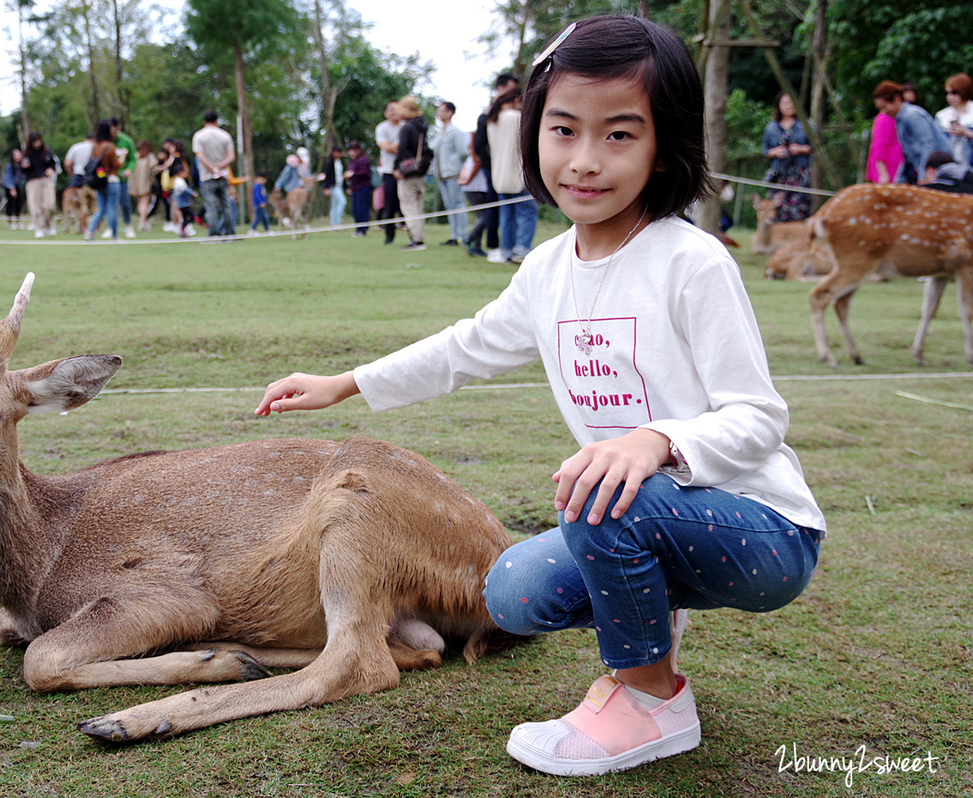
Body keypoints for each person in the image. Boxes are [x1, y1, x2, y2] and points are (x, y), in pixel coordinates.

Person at [254, 15, 824, 778]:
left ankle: (651, 701)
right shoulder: (549, 270)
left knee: (600, 487)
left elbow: (759, 418)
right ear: (533, 135)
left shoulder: (691, 262)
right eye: (563, 130)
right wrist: (346, 383)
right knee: (513, 591)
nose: (584, 161)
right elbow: (465, 347)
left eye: (620, 135)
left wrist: (654, 439)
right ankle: (656, 643)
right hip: (648, 516)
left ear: (665, 145)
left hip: (764, 532)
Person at [487, 86, 538, 263]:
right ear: (517, 100)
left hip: (499, 177)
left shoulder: (492, 120)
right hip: (517, 175)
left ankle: (507, 249)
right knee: (527, 213)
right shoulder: (516, 118)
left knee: (506, 215)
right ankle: (521, 248)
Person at [474, 74, 520, 262]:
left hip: (509, 168)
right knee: (495, 206)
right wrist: (493, 163)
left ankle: (507, 247)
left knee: (508, 209)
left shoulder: (506, 114)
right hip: (493, 168)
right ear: (501, 89)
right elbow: (479, 144)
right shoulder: (489, 114)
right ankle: (494, 246)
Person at [872, 81, 951, 184]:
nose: (883, 112)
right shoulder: (899, 119)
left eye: (884, 107)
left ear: (897, 99)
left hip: (941, 172)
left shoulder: (912, 116)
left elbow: (928, 144)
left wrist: (924, 175)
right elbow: (907, 155)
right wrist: (898, 181)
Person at [761, 92, 812, 222]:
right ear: (778, 106)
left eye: (791, 102)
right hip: (778, 175)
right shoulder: (771, 127)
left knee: (799, 211)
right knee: (776, 211)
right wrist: (775, 152)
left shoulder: (806, 125)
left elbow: (815, 148)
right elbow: (765, 152)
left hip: (799, 175)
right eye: (785, 103)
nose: (789, 106)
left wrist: (800, 149)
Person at [394, 95, 432, 251]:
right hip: (421, 171)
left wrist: (397, 168)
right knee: (418, 206)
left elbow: (402, 150)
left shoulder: (407, 128)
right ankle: (419, 237)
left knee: (409, 207)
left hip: (408, 173)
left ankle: (416, 240)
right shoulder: (422, 126)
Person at [192, 111, 237, 237]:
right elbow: (231, 157)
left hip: (207, 176)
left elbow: (200, 155)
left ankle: (213, 234)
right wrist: (220, 166)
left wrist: (212, 168)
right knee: (226, 205)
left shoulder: (199, 136)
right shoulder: (225, 136)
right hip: (223, 175)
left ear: (204, 122)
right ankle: (230, 233)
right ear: (217, 121)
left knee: (210, 206)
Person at [431, 101, 469, 246]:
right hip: (442, 174)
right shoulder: (440, 132)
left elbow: (463, 152)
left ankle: (462, 235)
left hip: (453, 173)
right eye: (439, 111)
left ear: (450, 112)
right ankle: (454, 235)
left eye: (442, 111)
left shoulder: (455, 131)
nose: (439, 114)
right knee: (449, 205)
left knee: (458, 204)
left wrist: (460, 170)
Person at [100, 118, 137, 239]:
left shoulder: (127, 141)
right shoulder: (105, 142)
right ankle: (110, 228)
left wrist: (129, 169)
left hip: (122, 179)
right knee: (110, 206)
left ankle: (128, 225)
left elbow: (132, 159)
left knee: (125, 203)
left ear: (118, 128)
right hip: (108, 179)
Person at [84, 119, 121, 242]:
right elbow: (116, 165)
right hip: (111, 180)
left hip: (99, 181)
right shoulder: (110, 147)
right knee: (112, 209)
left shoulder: (94, 146)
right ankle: (114, 235)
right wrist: (123, 157)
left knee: (101, 209)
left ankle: (89, 232)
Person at [375, 101, 403, 245]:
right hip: (388, 171)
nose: (394, 112)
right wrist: (395, 146)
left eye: (397, 109)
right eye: (391, 110)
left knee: (406, 203)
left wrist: (394, 146)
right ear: (386, 113)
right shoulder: (381, 128)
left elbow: (406, 147)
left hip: (404, 171)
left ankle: (414, 236)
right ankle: (389, 235)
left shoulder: (405, 127)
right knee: (389, 205)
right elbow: (385, 146)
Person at [21, 131, 59, 238]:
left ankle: (49, 224)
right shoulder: (26, 153)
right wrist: (23, 167)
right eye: (35, 141)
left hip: (46, 180)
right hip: (32, 181)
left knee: (49, 204)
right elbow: (21, 170)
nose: (37, 143)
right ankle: (39, 227)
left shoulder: (46, 151)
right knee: (35, 206)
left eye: (39, 140)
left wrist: (51, 169)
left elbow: (53, 163)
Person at [457, 138, 489, 257]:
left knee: (481, 216)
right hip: (476, 188)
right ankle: (468, 238)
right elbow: (476, 166)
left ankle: (477, 245)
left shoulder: (471, 157)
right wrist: (466, 181)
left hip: (472, 188)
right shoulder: (476, 157)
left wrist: (463, 180)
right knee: (485, 217)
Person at [936, 73, 973, 169]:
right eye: (947, 93)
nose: (950, 96)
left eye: (954, 92)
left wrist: (966, 133)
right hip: (950, 168)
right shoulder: (942, 116)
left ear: (964, 91)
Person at [64, 132, 95, 234]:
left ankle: (82, 227)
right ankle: (96, 228)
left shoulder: (75, 147)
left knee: (82, 204)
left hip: (78, 177)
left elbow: (67, 163)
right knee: (95, 204)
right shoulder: (96, 147)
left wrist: (71, 175)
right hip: (92, 178)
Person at [865, 108, 902, 184]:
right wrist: (883, 173)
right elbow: (879, 147)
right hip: (889, 172)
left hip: (897, 171)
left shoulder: (896, 118)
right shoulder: (884, 119)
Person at [344, 140, 373, 236]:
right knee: (356, 209)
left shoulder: (363, 160)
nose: (351, 153)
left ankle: (363, 229)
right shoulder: (353, 162)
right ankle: (358, 229)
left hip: (363, 187)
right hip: (355, 188)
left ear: (358, 150)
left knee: (362, 209)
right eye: (350, 151)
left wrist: (353, 174)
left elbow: (366, 174)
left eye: (353, 151)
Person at [130, 139, 159, 233]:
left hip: (136, 184)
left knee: (140, 203)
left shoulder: (135, 156)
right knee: (144, 203)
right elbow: (154, 169)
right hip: (145, 183)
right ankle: (143, 222)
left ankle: (142, 221)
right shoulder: (149, 157)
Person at [321, 146, 347, 228]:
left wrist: (346, 186)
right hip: (333, 186)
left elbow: (341, 175)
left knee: (335, 204)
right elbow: (327, 175)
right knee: (342, 202)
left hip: (339, 185)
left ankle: (333, 223)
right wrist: (326, 187)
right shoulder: (329, 163)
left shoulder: (339, 162)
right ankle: (337, 222)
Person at [3, 149, 26, 230]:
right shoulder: (9, 166)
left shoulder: (22, 166)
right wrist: (11, 188)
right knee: (10, 204)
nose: (17, 157)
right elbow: (8, 177)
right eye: (15, 155)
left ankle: (18, 221)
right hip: (10, 187)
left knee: (19, 204)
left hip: (18, 187)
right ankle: (10, 222)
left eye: (19, 155)